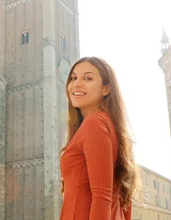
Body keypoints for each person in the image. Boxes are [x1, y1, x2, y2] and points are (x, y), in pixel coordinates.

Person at [60, 57, 138, 220]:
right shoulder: (116, 131)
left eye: (87, 78)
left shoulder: (94, 124)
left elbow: (102, 197)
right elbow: (126, 201)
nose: (77, 84)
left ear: (106, 89)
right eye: (74, 78)